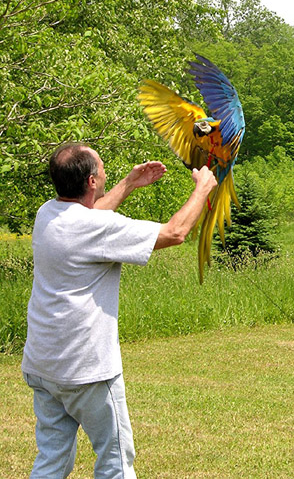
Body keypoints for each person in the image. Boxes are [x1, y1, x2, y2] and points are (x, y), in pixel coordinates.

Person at [21, 143, 218, 478]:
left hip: (43, 365)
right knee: (116, 462)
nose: (104, 171)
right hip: (87, 371)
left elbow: (90, 215)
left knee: (52, 460)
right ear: (92, 182)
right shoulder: (95, 229)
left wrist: (128, 183)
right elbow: (175, 232)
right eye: (101, 167)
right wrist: (203, 188)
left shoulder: (47, 214)